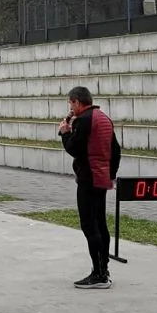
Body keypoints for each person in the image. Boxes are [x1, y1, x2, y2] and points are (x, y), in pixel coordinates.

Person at [58, 85, 117, 289]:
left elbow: (74, 148)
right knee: (100, 223)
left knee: (89, 225)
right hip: (101, 177)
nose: (70, 108)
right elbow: (116, 150)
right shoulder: (104, 118)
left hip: (88, 178)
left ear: (77, 102)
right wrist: (111, 174)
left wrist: (65, 133)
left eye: (71, 103)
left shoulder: (83, 120)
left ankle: (98, 274)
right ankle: (104, 268)